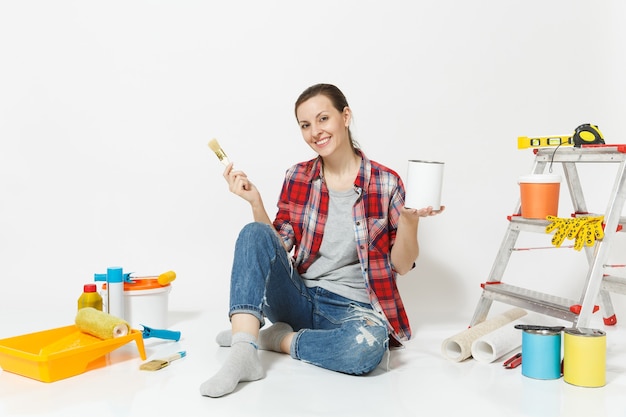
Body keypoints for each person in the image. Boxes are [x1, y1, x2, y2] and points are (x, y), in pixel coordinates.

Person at [200, 83, 444, 398]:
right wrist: (255, 203)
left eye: (323, 119)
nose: (315, 131)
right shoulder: (298, 176)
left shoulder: (386, 182)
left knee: (369, 347)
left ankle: (274, 340)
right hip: (297, 297)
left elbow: (402, 264)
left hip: (350, 309)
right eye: (305, 125)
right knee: (253, 232)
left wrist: (410, 221)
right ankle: (244, 351)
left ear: (345, 116)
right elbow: (276, 246)